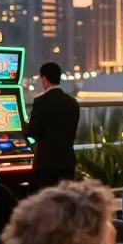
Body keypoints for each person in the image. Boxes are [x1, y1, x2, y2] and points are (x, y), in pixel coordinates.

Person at [25, 62, 80, 193]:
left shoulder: (41, 102)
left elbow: (32, 133)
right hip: (67, 162)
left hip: (45, 164)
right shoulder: (72, 102)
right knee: (65, 201)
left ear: (44, 79)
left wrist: (24, 130)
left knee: (44, 202)